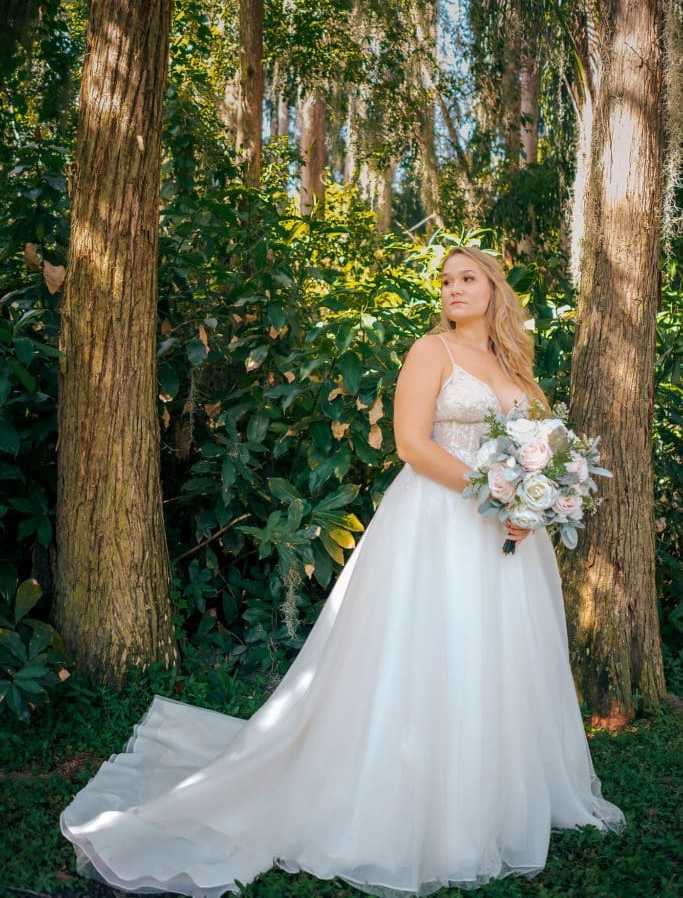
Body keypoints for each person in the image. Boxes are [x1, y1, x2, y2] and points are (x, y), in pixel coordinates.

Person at [61, 246, 624, 898]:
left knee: (495, 660)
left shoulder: (516, 371)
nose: (452, 289)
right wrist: (495, 490)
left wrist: (534, 500)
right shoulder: (429, 352)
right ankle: (412, 799)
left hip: (508, 540)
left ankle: (490, 794)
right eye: (444, 281)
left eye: (466, 279)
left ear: (494, 289)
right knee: (431, 654)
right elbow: (413, 445)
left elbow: (542, 452)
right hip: (437, 525)